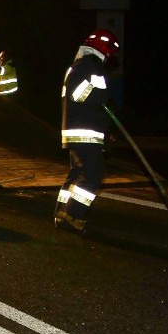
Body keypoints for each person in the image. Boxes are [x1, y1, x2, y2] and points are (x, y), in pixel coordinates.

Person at [54, 29, 120, 234]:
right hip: (85, 132)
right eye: (109, 54)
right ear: (105, 50)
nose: (109, 58)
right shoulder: (89, 66)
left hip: (79, 130)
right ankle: (74, 213)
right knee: (93, 174)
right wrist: (100, 90)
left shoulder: (80, 66)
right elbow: (79, 95)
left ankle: (62, 213)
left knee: (77, 173)